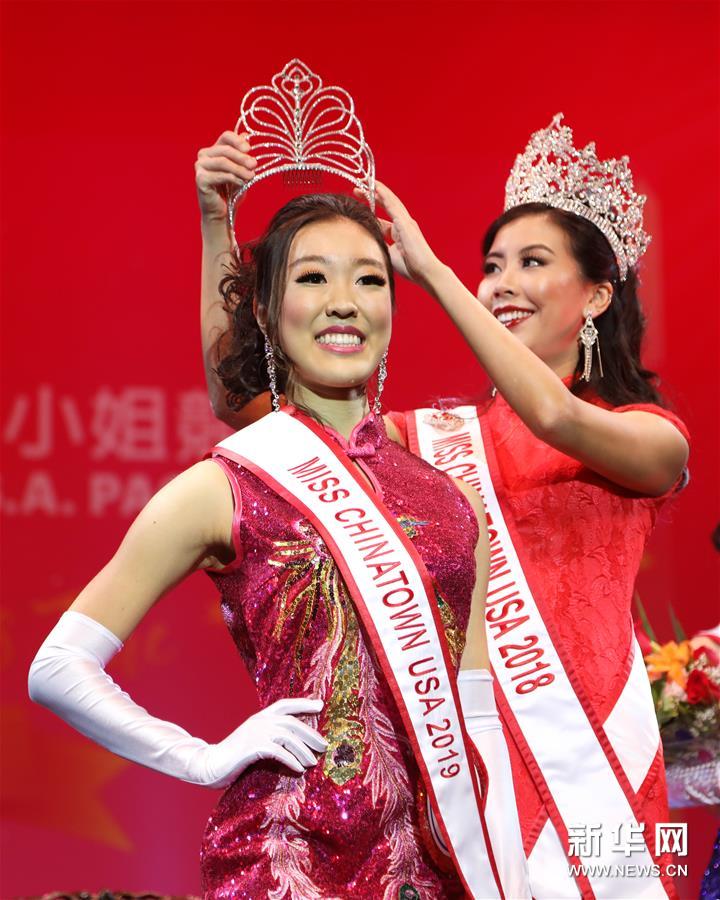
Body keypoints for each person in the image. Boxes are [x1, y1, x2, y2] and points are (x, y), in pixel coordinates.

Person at [196, 116, 689, 898]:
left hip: (595, 771)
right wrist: (216, 223)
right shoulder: (425, 440)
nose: (501, 283)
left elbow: (556, 420)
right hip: (466, 765)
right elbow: (245, 406)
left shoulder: (652, 439)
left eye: (532, 262)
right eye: (492, 265)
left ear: (598, 293)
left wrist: (428, 273)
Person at [28, 193, 529, 899]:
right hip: (287, 864)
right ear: (264, 311)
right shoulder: (225, 485)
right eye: (313, 278)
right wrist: (203, 759)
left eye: (370, 278)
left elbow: (475, 712)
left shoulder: (452, 498)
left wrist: (510, 876)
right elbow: (57, 666)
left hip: (438, 866)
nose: (345, 302)